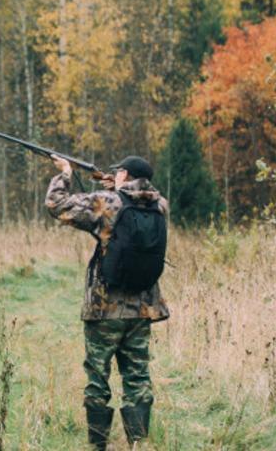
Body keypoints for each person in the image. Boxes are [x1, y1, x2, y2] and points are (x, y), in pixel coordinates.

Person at [45, 154, 170, 451]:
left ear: (124, 174)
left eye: (118, 173)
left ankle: (98, 445)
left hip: (105, 309)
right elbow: (130, 203)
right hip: (143, 307)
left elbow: (57, 205)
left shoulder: (106, 202)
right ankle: (138, 443)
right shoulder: (160, 206)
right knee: (137, 376)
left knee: (98, 378)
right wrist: (111, 184)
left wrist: (65, 173)